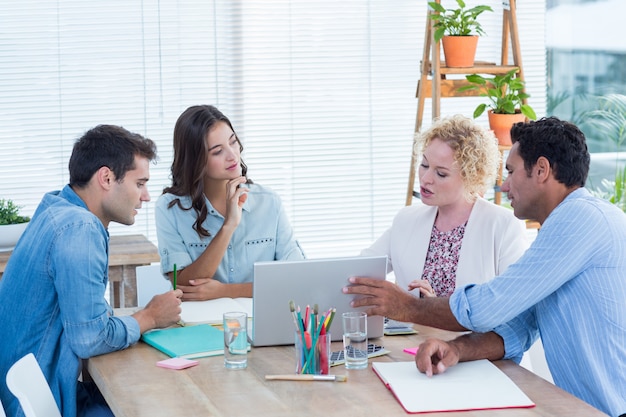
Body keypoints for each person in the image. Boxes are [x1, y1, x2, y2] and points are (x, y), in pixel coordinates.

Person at [344, 117, 626, 417]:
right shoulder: (565, 229)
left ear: (541, 170)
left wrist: (407, 307)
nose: (504, 185)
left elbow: (491, 305)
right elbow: (520, 326)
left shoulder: (580, 220)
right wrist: (458, 349)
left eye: (511, 171)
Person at [0, 125, 183, 417]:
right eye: (140, 184)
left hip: (37, 393)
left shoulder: (56, 207)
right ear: (107, 178)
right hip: (51, 403)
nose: (146, 196)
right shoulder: (80, 228)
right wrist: (149, 317)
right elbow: (89, 339)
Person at [361, 114, 528, 297]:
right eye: (424, 165)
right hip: (408, 327)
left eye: (441, 174)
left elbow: (509, 305)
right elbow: (358, 272)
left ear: (471, 177)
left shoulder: (504, 226)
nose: (425, 179)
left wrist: (431, 309)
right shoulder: (406, 220)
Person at [156, 105, 305, 301]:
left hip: (260, 322)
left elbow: (297, 278)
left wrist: (225, 291)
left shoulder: (269, 203)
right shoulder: (170, 208)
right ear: (196, 160)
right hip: (201, 326)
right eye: (217, 151)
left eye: (233, 142)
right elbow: (184, 286)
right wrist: (229, 226)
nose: (233, 155)